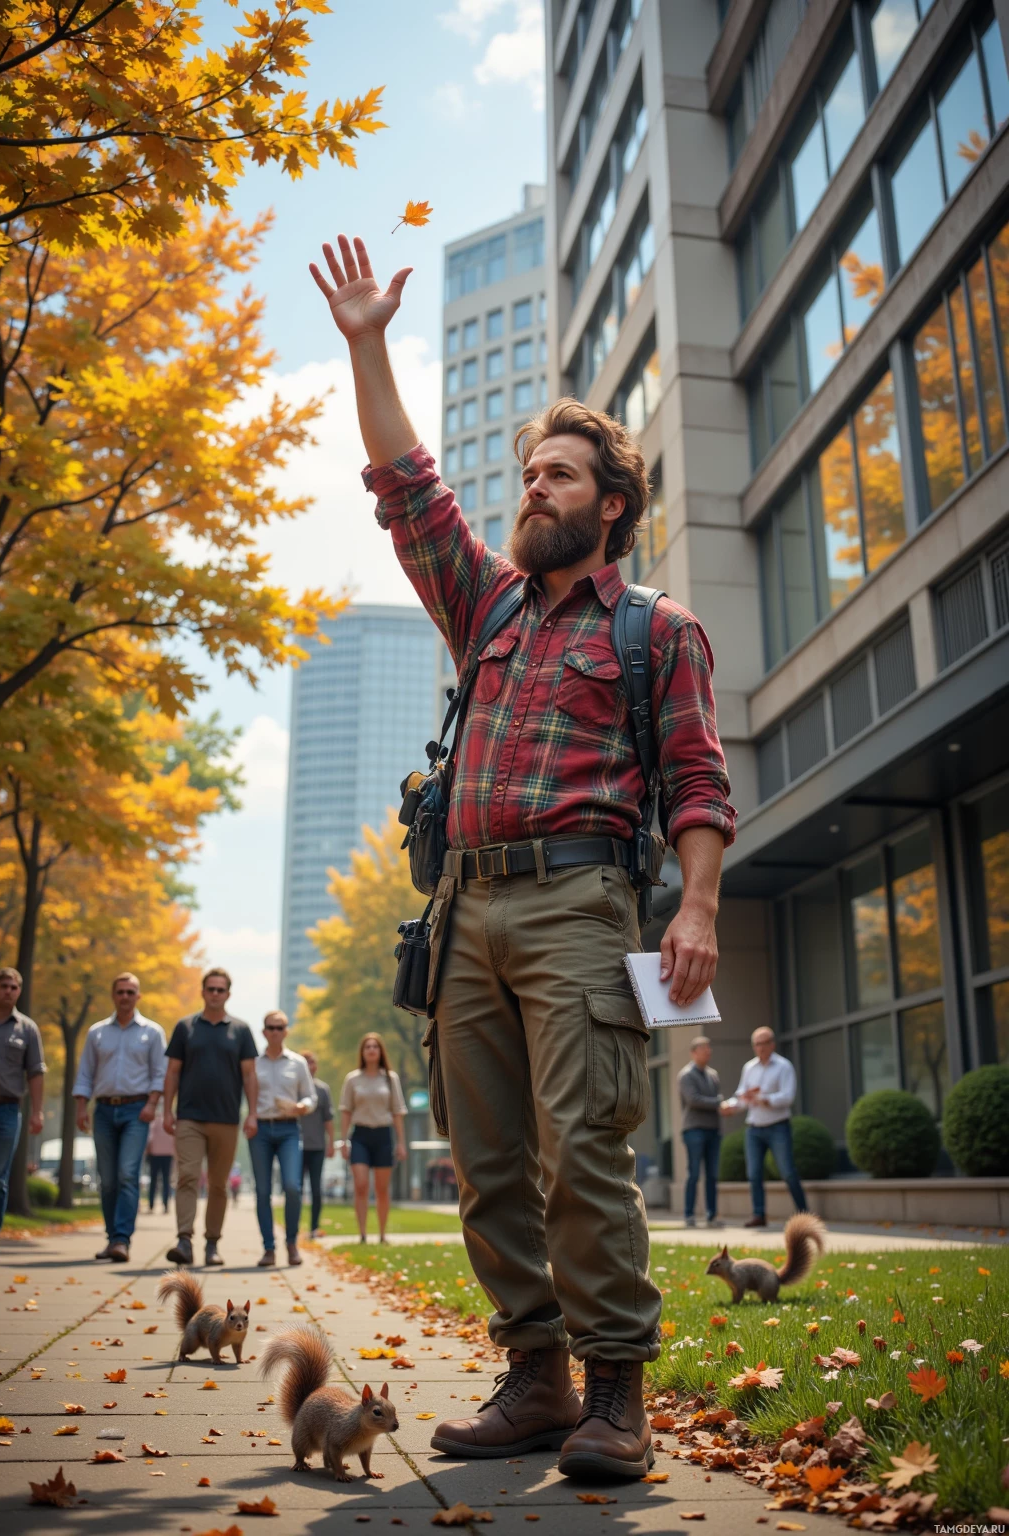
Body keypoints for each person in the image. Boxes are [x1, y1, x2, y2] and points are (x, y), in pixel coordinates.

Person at [311, 235, 735, 1480]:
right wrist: (367, 341)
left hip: (580, 908)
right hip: (462, 914)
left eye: (557, 475)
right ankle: (535, 1379)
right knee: (489, 1163)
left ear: (611, 502)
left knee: (582, 1149)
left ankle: (618, 1398)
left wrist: (695, 907)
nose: (532, 487)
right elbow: (405, 484)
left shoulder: (659, 631)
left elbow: (699, 780)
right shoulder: (485, 607)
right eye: (528, 474)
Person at [162, 968, 258, 1267]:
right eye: (211, 989)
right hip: (189, 1116)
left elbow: (250, 1075)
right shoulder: (185, 1027)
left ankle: (212, 1244)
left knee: (218, 1185)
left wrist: (252, 1113)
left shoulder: (241, 1030)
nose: (215, 994)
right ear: (203, 992)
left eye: (221, 990)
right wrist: (167, 1110)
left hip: (226, 1119)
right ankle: (184, 1240)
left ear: (228, 994)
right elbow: (173, 1071)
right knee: (188, 1177)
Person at [73, 974, 166, 1261]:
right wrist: (80, 1107)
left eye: (131, 992)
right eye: (120, 992)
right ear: (113, 995)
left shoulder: (151, 1032)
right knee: (108, 1179)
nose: (125, 996)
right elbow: (86, 1072)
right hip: (102, 1110)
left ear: (138, 996)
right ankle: (112, 1237)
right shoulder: (97, 1032)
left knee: (127, 1174)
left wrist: (152, 1103)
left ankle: (122, 1240)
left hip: (136, 1111)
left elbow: (159, 1073)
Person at [0, 968, 46, 1263]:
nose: (9, 991)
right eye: (4, 986)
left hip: (9, 1110)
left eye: (14, 987)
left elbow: (35, 1072)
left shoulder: (27, 1029)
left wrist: (37, 1112)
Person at [721, 1026, 807, 1227]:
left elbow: (788, 1097)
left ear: (772, 1044)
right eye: (756, 1044)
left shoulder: (784, 1066)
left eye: (763, 1043)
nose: (759, 1048)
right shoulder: (749, 1068)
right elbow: (742, 1097)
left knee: (787, 1171)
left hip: (778, 1126)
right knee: (754, 1173)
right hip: (754, 1128)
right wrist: (730, 1106)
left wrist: (764, 1099)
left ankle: (804, 1214)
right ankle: (759, 1215)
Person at [250, 1010, 316, 1267]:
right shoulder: (253, 1063)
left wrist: (302, 1106)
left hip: (289, 1129)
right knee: (263, 1190)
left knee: (292, 1186)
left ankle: (291, 1243)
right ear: (264, 1031)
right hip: (261, 1131)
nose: (275, 1031)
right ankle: (269, 1248)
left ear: (286, 1031)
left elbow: (311, 1096)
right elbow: (247, 1094)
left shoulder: (297, 1062)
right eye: (270, 1027)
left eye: (280, 1027)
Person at [338, 1034, 407, 1245]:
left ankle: (383, 1234)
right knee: (360, 1184)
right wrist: (343, 1140)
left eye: (375, 1046)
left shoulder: (390, 1078)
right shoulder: (352, 1079)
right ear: (362, 1051)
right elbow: (346, 1111)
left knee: (382, 1188)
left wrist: (401, 1142)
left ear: (380, 1051)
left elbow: (397, 1111)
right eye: (367, 1046)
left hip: (383, 1135)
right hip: (360, 1136)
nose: (371, 1050)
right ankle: (362, 1233)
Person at [677, 1036, 723, 1230]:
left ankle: (711, 1215)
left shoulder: (713, 1074)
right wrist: (719, 1102)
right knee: (694, 1173)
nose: (708, 1052)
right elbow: (693, 1100)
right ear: (694, 1052)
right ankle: (689, 1215)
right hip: (694, 1130)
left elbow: (714, 1101)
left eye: (709, 1049)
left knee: (712, 1174)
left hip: (713, 1129)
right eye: (704, 1049)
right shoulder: (686, 1075)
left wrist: (721, 1104)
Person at [299, 1051, 335, 1237]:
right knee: (294, 1188)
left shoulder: (322, 1089)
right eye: (305, 1062)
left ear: (316, 1066)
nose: (309, 1065)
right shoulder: (293, 1088)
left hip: (317, 1146)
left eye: (312, 1062)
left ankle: (314, 1227)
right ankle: (294, 1227)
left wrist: (331, 1143)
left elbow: (328, 1119)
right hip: (295, 1147)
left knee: (316, 1188)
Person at [147, 1098, 175, 1214]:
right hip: (167, 1155)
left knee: (153, 1180)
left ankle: (151, 1205)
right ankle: (165, 1205)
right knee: (165, 1180)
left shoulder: (154, 1122)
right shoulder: (171, 1123)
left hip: (155, 1155)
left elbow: (150, 1139)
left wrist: (147, 1152)